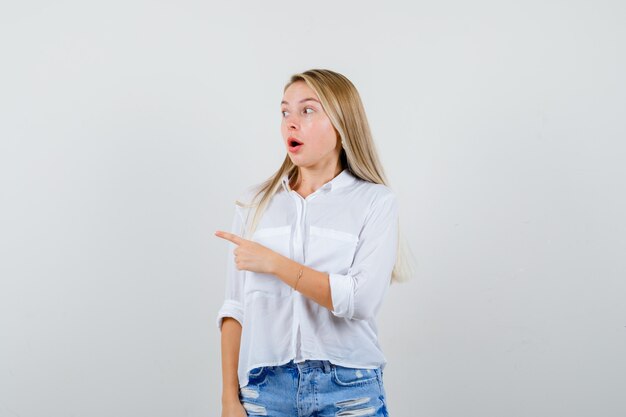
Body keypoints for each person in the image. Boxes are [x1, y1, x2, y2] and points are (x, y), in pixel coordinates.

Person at [215, 69, 413, 417]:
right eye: (285, 112)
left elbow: (360, 300)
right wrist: (229, 399)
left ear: (341, 124)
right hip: (264, 391)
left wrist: (275, 264)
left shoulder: (375, 201)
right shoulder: (255, 204)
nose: (291, 122)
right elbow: (235, 308)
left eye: (307, 110)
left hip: (349, 390)